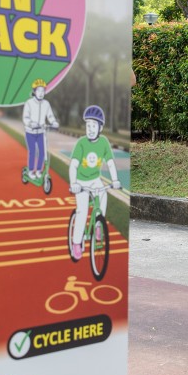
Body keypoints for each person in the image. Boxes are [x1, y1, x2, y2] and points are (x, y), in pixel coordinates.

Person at [68, 105, 122, 260]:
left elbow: (110, 163)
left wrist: (115, 180)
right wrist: (74, 183)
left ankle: (98, 225)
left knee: (103, 196)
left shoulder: (104, 142)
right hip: (81, 181)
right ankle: (76, 243)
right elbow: (73, 165)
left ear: (100, 128)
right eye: (88, 125)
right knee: (82, 211)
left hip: (95, 180)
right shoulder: (81, 143)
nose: (90, 129)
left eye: (93, 125)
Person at [22, 79, 58, 181]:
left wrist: (53, 122)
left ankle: (38, 170)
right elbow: (25, 118)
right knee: (33, 152)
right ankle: (30, 171)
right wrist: (31, 124)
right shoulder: (29, 103)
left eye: (43, 91)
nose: (41, 93)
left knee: (42, 152)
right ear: (34, 91)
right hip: (30, 132)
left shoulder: (46, 104)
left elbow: (50, 115)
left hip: (41, 132)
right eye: (39, 90)